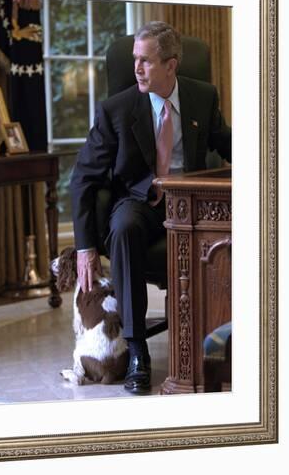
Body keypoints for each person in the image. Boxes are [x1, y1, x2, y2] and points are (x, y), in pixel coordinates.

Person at [69, 21, 231, 394]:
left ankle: (224, 336)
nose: (137, 69)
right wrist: (85, 246)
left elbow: (226, 142)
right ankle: (138, 349)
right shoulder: (116, 110)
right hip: (140, 201)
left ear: (171, 65)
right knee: (124, 227)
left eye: (146, 61)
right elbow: (82, 178)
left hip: (191, 204)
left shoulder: (202, 97)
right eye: (135, 60)